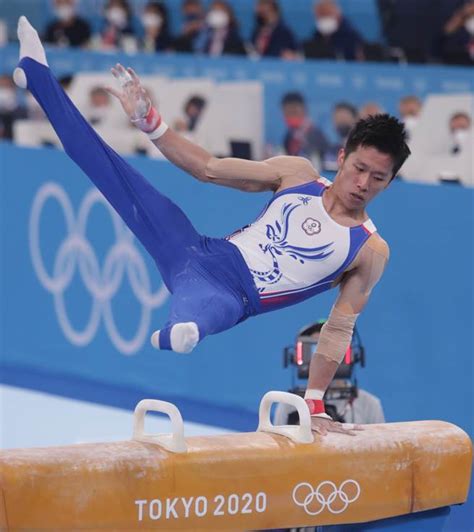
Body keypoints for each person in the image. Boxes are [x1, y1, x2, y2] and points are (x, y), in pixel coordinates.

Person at [13, 16, 410, 436]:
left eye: (379, 179)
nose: (364, 184)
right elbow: (209, 168)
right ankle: (37, 76)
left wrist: (314, 402)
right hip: (196, 250)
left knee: (201, 316)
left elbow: (337, 329)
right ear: (344, 154)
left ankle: (182, 328)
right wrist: (151, 123)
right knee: (108, 170)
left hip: (232, 295)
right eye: (360, 168)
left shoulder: (369, 250)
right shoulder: (298, 175)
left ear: (390, 181)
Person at [280, 92, 329, 170]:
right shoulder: (288, 135)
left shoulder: (316, 134)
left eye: (294, 112)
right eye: (287, 113)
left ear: (304, 109)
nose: (291, 116)